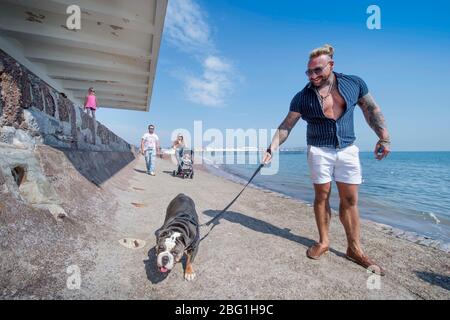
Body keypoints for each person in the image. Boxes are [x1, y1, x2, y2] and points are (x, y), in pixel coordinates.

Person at [262, 44, 390, 275]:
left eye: (318, 70)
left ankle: (354, 249)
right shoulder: (302, 97)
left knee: (350, 199)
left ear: (331, 65)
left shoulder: (353, 84)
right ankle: (324, 241)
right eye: (309, 72)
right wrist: (271, 148)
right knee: (321, 196)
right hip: (319, 150)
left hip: (348, 149)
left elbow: (371, 110)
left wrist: (384, 137)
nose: (313, 76)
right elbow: (286, 126)